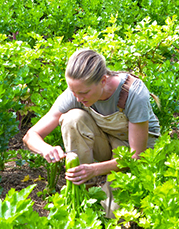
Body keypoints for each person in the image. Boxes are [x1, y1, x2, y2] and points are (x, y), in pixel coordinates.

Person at [23, 49, 160, 187]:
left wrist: (95, 169)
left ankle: (95, 181)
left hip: (135, 151)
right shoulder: (77, 91)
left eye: (84, 93)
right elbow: (30, 136)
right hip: (106, 142)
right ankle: (84, 187)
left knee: (113, 206)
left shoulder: (133, 94)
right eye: (73, 92)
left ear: (103, 81)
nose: (78, 98)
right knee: (72, 118)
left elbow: (136, 156)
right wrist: (46, 149)